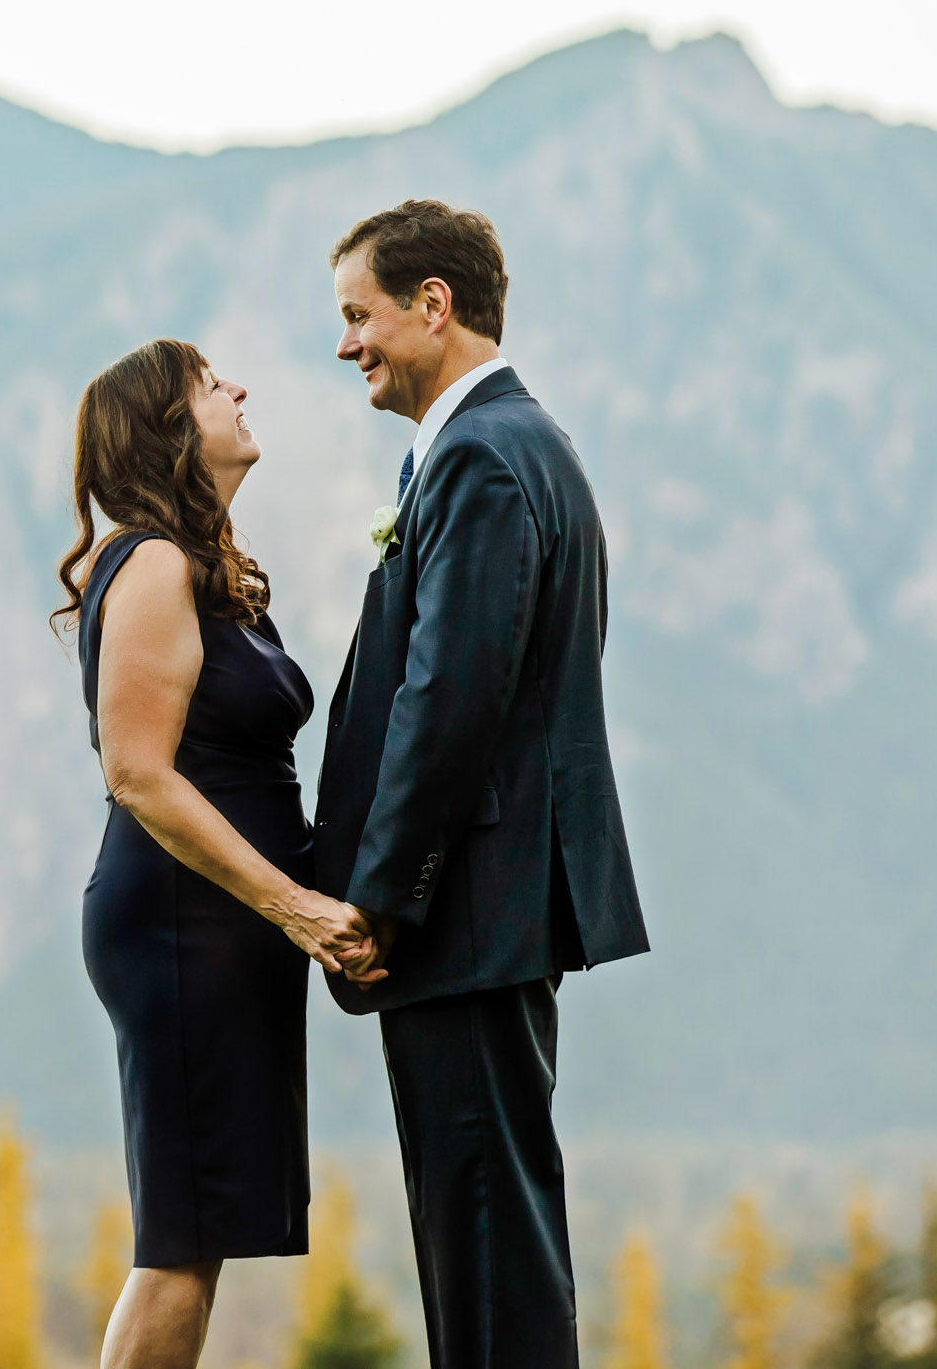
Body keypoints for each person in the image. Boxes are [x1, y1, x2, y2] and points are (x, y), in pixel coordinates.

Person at [313, 200, 651, 1367]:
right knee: (478, 1221)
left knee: (487, 1231)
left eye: (359, 315)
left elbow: (451, 702)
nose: (347, 343)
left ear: (433, 306)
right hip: (487, 902)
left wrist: (382, 897)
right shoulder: (516, 448)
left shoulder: (483, 458)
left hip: (466, 906)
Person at [52, 339, 383, 1369]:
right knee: (181, 1243)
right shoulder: (149, 562)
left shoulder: (201, 565)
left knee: (201, 1235)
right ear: (167, 431)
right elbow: (138, 773)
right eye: (210, 386)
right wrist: (293, 904)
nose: (238, 390)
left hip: (224, 929)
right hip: (182, 926)